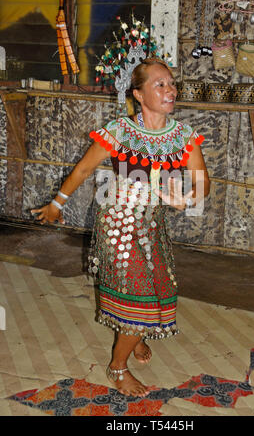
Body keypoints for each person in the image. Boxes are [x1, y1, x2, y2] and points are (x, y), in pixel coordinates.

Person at [31, 57, 210, 398]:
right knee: (141, 296)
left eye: (171, 83)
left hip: (152, 225)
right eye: (160, 84)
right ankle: (118, 367)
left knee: (158, 288)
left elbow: (203, 184)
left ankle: (135, 334)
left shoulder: (184, 136)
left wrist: (186, 199)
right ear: (139, 95)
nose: (169, 89)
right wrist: (56, 205)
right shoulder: (119, 132)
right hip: (118, 221)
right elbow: (84, 171)